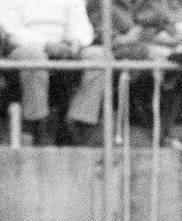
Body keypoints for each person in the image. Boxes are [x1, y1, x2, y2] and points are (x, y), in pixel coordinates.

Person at [0, 0, 113, 145]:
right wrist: (45, 45)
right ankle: (37, 123)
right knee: (34, 57)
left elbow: (81, 26)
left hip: (64, 46)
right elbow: (10, 29)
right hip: (23, 46)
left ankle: (78, 122)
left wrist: (75, 43)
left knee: (100, 55)